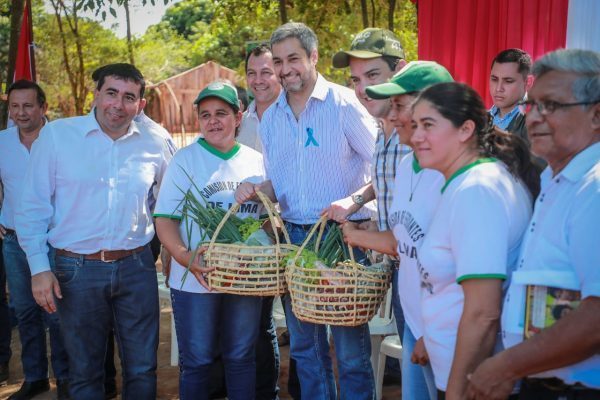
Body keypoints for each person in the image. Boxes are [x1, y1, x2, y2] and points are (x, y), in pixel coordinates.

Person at [236, 22, 378, 400]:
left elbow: (384, 169)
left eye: (294, 58)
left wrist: (355, 201)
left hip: (343, 239)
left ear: (313, 57)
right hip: (294, 239)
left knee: (349, 351)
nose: (285, 69)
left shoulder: (346, 104)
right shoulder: (271, 118)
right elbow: (276, 183)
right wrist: (255, 191)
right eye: (279, 61)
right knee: (305, 349)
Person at [15, 63, 171, 400]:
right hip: (75, 270)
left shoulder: (155, 142)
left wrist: (176, 253)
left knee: (143, 368)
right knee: (84, 371)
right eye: (111, 93)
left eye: (129, 97)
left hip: (137, 268)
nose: (118, 104)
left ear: (140, 105)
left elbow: (168, 204)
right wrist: (40, 269)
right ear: (96, 94)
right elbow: (32, 207)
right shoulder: (58, 136)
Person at [467, 48, 600, 400]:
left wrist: (505, 365)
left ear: (597, 114)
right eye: (533, 105)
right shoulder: (560, 181)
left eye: (552, 106)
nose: (535, 118)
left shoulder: (594, 188)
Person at [410, 82, 539, 398]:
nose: (415, 137)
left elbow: (484, 312)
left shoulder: (476, 191)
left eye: (428, 125)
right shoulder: (469, 182)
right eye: (415, 125)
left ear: (465, 129)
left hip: (474, 382)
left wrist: (457, 391)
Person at [344, 61, 454, 400]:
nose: (393, 115)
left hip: (445, 330)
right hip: (415, 320)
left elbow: (465, 272)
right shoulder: (410, 165)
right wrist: (356, 233)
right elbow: (403, 238)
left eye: (401, 105)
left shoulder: (455, 175)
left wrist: (433, 333)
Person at [154, 81, 265, 400]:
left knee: (241, 357)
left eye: (221, 113)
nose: (213, 121)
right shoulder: (185, 160)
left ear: (238, 116)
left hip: (244, 277)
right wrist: (186, 257)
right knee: (198, 360)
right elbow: (165, 220)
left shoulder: (255, 161)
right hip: (194, 281)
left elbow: (263, 219)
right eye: (205, 115)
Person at [0, 80, 70, 400]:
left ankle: (67, 380)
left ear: (43, 107)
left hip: (55, 240)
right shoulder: (1, 142)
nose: (20, 113)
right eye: (14, 106)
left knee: (57, 311)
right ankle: (35, 377)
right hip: (14, 242)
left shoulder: (64, 140)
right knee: (25, 310)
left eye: (28, 106)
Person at [235, 43, 284, 400]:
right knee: (259, 318)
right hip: (254, 235)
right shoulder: (245, 119)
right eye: (252, 73)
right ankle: (265, 391)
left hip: (291, 230)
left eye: (266, 72)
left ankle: (298, 389)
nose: (258, 80)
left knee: (302, 322)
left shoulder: (294, 113)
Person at [489, 48, 532, 143]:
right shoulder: (479, 119)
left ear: (527, 82)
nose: (498, 88)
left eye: (508, 81)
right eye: (494, 79)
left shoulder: (538, 125)